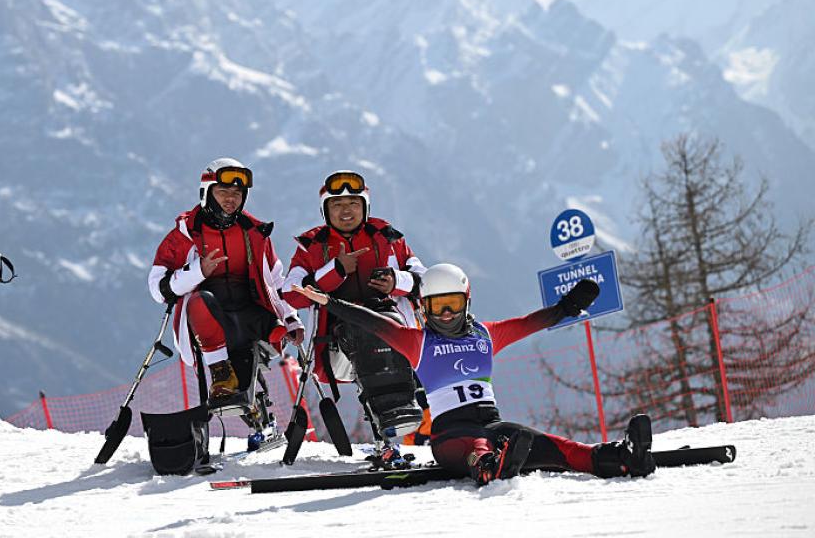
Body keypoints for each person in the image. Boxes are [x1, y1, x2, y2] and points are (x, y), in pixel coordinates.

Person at [291, 263, 657, 486]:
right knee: (479, 449)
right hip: (450, 436)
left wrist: (567, 307)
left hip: (493, 426)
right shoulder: (416, 341)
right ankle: (489, 467)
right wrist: (330, 303)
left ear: (467, 302)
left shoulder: (486, 334)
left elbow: (529, 323)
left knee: (557, 447)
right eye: (437, 306)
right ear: (423, 308)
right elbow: (373, 322)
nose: (446, 314)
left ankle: (620, 457)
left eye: (452, 305)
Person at [281, 170, 427, 439]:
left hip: (394, 330)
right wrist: (335, 270)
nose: (345, 211)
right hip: (338, 343)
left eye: (353, 204)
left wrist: (395, 281)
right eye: (337, 205)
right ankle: (391, 418)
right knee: (363, 327)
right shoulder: (311, 246)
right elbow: (291, 292)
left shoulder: (389, 238)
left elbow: (425, 282)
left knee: (383, 327)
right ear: (325, 211)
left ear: (365, 207)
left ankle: (407, 421)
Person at [148, 158, 304, 405]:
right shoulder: (185, 234)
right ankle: (221, 374)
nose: (231, 198)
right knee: (201, 301)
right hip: (210, 318)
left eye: (237, 193)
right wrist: (198, 270)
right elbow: (158, 289)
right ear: (207, 193)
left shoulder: (255, 233)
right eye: (223, 191)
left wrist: (292, 318)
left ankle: (260, 407)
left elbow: (275, 281)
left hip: (251, 315)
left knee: (275, 332)